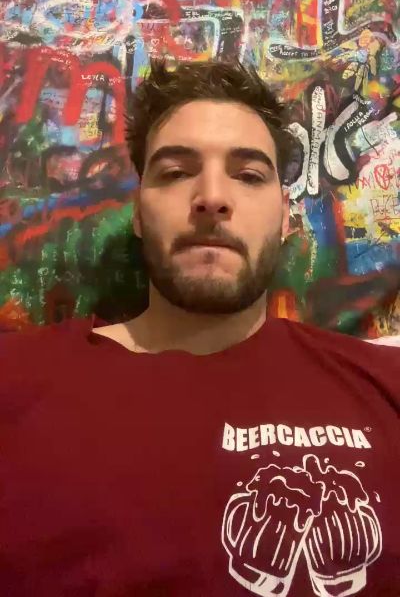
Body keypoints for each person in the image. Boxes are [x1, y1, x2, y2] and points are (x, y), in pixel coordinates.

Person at [0, 59, 399, 597]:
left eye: (249, 175)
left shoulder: (385, 385)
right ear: (138, 213)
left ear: (285, 217)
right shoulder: (15, 381)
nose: (212, 197)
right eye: (175, 172)